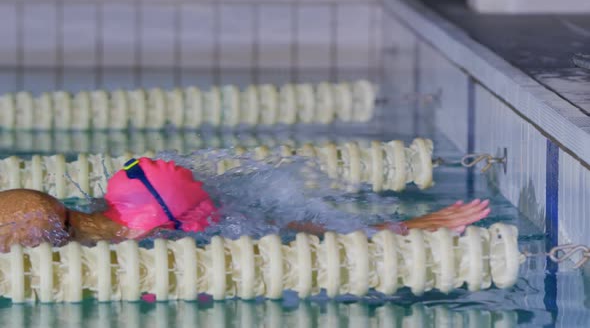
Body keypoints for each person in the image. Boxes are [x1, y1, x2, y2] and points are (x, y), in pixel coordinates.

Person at [0, 157, 490, 253]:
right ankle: (400, 227)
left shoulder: (141, 236)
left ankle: (403, 229)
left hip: (153, 213)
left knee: (265, 233)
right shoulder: (49, 214)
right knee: (267, 223)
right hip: (135, 192)